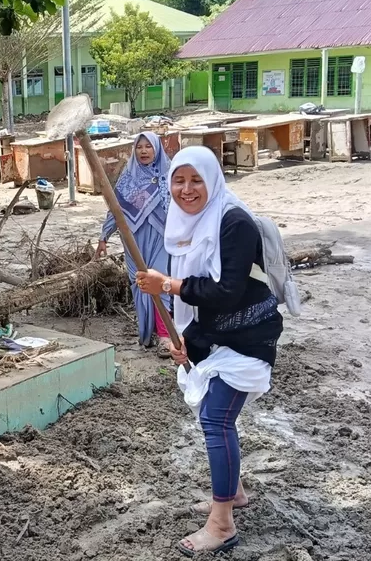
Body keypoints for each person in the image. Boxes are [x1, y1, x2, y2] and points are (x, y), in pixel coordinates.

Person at [135, 147, 283, 557]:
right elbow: (198, 298)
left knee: (216, 419)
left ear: (213, 180)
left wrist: (168, 285)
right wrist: (185, 338)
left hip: (248, 332)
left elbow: (226, 292)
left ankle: (222, 524)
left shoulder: (234, 221)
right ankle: (234, 493)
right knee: (210, 411)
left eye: (196, 180)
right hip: (215, 330)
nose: (187, 190)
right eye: (178, 180)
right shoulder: (186, 221)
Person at [96, 132, 174, 353]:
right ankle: (148, 332)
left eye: (148, 146)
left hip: (161, 238)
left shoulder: (169, 175)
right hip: (133, 240)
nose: (144, 151)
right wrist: (104, 237)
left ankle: (165, 335)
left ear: (157, 149)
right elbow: (116, 209)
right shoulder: (128, 177)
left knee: (159, 283)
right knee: (140, 284)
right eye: (139, 147)